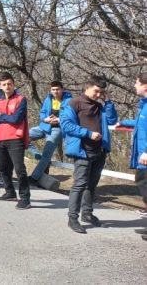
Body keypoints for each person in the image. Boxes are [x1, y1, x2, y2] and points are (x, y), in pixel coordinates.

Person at [60, 75, 117, 234]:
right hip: (82, 149)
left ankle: (87, 213)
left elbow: (112, 120)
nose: (98, 95)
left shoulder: (101, 106)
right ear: (87, 87)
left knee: (91, 184)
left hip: (100, 150)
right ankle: (73, 218)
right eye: (96, 91)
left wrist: (108, 101)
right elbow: (66, 125)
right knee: (80, 184)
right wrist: (87, 133)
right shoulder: (74, 103)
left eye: (101, 92)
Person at [0, 72, 32, 210]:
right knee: (3, 168)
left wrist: (1, 116)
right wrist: (4, 117)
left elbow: (16, 119)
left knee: (19, 169)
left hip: (15, 137)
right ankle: (10, 192)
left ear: (14, 84)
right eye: (4, 84)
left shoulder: (21, 99)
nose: (7, 86)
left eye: (10, 84)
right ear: (0, 85)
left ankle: (25, 198)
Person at [116, 73, 147, 241]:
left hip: (145, 155)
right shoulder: (144, 106)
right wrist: (125, 122)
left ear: (145, 86)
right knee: (142, 183)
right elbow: (141, 123)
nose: (135, 86)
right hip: (142, 156)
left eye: (137, 83)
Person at [27, 81, 73, 185]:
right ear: (50, 90)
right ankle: (40, 158)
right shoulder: (48, 99)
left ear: (62, 89)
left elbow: (71, 116)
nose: (55, 91)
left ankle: (34, 178)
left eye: (57, 89)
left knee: (47, 153)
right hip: (44, 126)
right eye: (53, 89)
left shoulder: (69, 100)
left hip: (57, 129)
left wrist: (59, 119)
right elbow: (42, 112)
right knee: (24, 137)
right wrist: (45, 119)